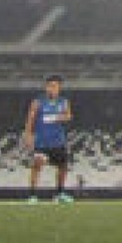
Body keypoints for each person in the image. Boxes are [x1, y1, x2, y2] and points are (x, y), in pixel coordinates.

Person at [22, 75, 73, 204]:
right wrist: (28, 136)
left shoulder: (64, 102)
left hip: (58, 141)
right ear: (46, 87)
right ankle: (32, 195)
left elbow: (68, 115)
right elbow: (30, 120)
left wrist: (61, 117)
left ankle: (59, 193)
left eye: (55, 86)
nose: (52, 89)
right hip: (42, 141)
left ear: (59, 88)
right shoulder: (38, 102)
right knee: (37, 166)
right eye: (50, 86)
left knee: (63, 167)